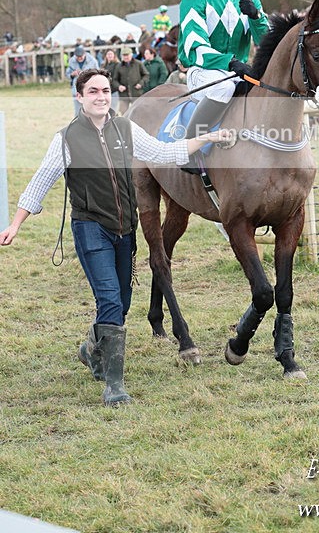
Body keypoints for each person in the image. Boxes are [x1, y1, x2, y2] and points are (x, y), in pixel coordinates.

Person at [0, 68, 232, 405]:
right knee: (109, 299)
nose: (101, 97)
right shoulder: (66, 138)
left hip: (125, 230)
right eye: (93, 91)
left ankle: (92, 346)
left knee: (121, 302)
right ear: (80, 97)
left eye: (105, 91)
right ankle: (114, 384)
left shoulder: (126, 128)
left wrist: (207, 138)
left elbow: (166, 153)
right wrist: (16, 223)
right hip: (90, 227)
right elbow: (42, 179)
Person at [178, 0, 269, 137]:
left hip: (239, 72)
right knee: (224, 87)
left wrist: (256, 17)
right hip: (203, 72)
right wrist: (229, 61)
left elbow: (267, 41)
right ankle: (189, 144)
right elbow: (196, 46)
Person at [112, 47, 148, 114]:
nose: (126, 57)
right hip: (124, 95)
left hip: (136, 93)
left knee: (138, 112)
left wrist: (141, 83)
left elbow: (146, 75)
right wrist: (119, 86)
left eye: (127, 55)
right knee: (124, 113)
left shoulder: (139, 64)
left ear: (131, 55)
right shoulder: (118, 66)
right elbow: (114, 80)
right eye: (124, 55)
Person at [66, 45, 99, 114]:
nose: (79, 58)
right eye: (78, 57)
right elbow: (68, 73)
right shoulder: (72, 61)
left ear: (84, 54)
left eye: (81, 56)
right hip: (76, 88)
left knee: (90, 109)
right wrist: (72, 74)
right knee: (78, 111)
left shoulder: (92, 61)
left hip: (89, 87)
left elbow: (98, 74)